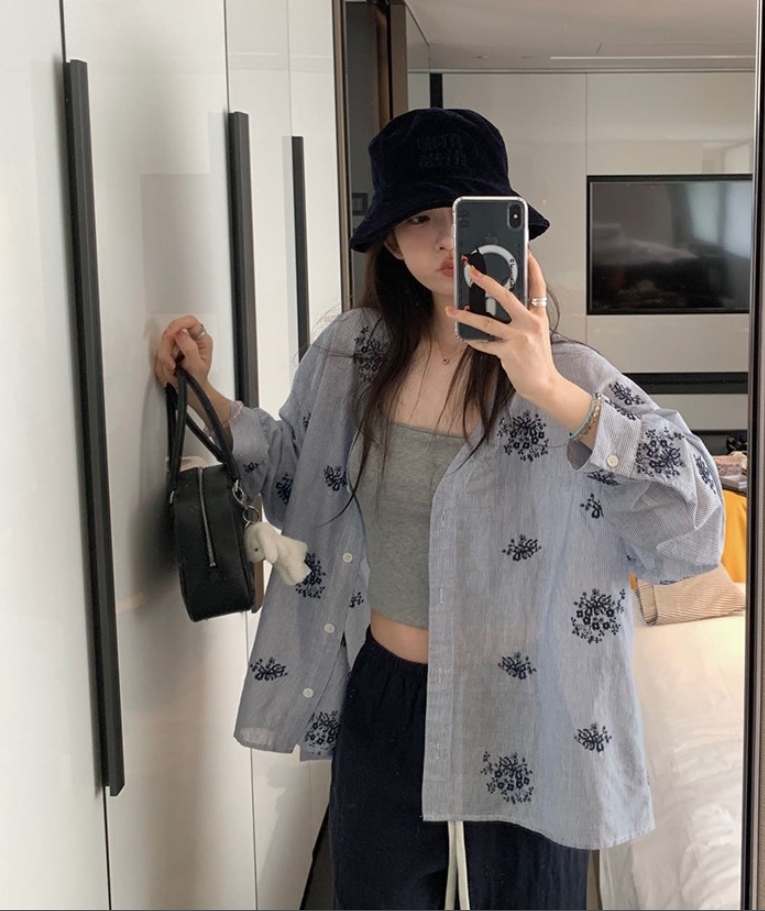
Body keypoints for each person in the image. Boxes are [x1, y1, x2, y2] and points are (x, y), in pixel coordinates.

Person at [154, 108, 724, 911]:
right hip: (387, 700)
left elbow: (693, 529)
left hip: (526, 703)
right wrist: (204, 391)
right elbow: (294, 474)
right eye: (419, 217)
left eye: (466, 211)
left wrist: (549, 389)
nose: (446, 237)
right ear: (389, 240)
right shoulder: (351, 356)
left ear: (509, 223)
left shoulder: (570, 374)